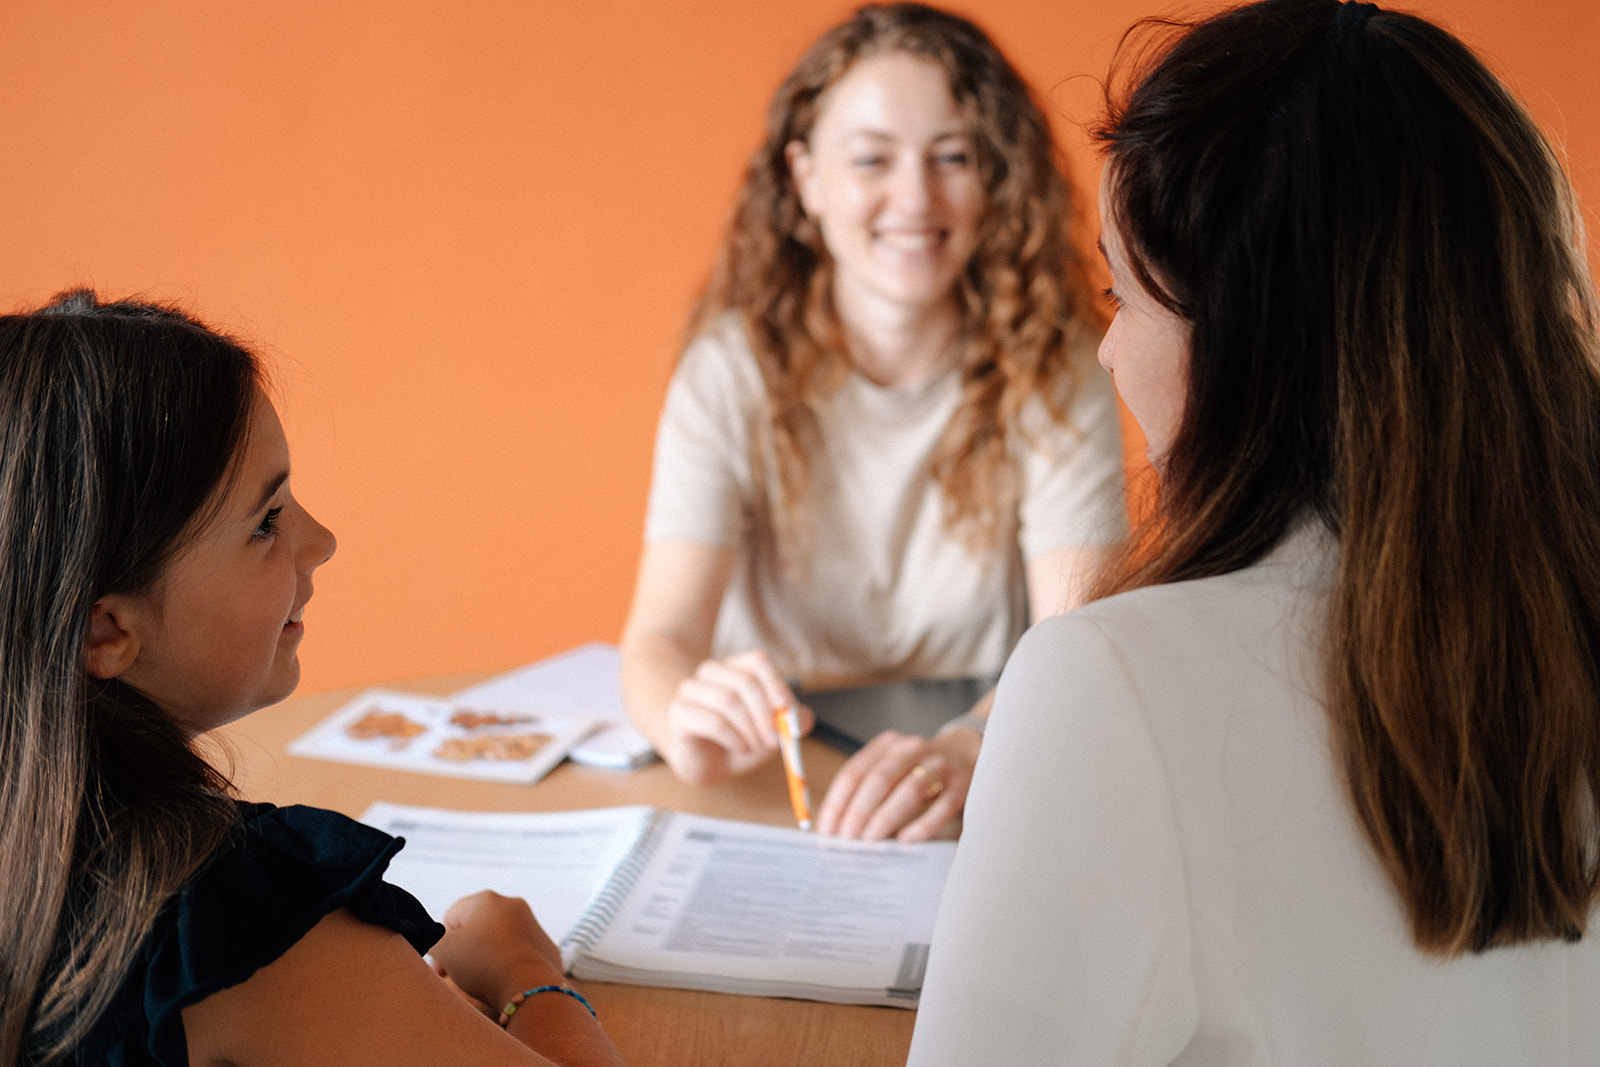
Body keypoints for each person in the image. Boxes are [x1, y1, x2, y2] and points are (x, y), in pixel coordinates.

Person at [909, 0, 1600, 1061]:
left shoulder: (1107, 684)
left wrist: (555, 1010)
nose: (1106, 353)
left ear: (1246, 347)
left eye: (1124, 295)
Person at [0, 292, 626, 1067]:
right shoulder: (234, 919)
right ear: (108, 630)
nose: (320, 541)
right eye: (265, 522)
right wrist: (527, 970)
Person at [619, 1, 1126, 843]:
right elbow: (659, 642)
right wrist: (686, 719)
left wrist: (973, 746)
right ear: (806, 178)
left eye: (954, 157)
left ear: (995, 177)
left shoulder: (1057, 363)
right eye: (872, 160)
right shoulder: (729, 370)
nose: (915, 196)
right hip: (783, 769)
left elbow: (1075, 644)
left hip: (991, 746)